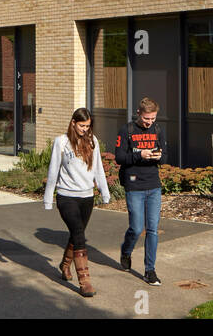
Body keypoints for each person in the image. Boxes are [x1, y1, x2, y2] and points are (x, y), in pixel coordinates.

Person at [43, 107, 111, 297]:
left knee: (76, 235)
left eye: (88, 126)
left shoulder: (93, 141)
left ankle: (65, 265)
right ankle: (85, 281)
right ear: (73, 123)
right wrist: (48, 198)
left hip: (87, 197)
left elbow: (98, 169)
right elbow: (53, 170)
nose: (85, 129)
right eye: (82, 126)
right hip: (66, 197)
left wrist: (104, 192)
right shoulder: (61, 142)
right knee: (79, 234)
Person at [115, 97, 166, 286]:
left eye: (153, 119)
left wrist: (159, 156)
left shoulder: (158, 130)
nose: (150, 123)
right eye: (147, 119)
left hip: (153, 185)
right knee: (136, 228)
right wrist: (139, 154)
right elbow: (119, 157)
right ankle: (126, 251)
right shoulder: (127, 130)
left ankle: (149, 270)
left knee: (152, 229)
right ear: (138, 113)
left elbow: (165, 154)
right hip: (134, 185)